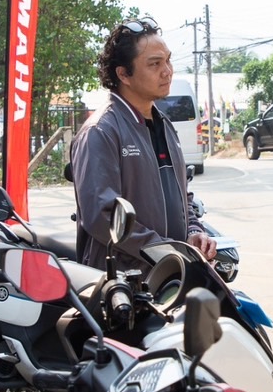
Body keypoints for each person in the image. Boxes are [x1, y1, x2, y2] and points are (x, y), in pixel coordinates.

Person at [71, 16, 215, 273]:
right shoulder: (101, 131)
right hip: (124, 282)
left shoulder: (164, 124)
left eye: (168, 60)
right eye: (154, 64)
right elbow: (104, 217)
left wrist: (194, 230)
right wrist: (166, 252)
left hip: (169, 274)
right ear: (124, 74)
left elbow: (182, 195)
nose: (167, 71)